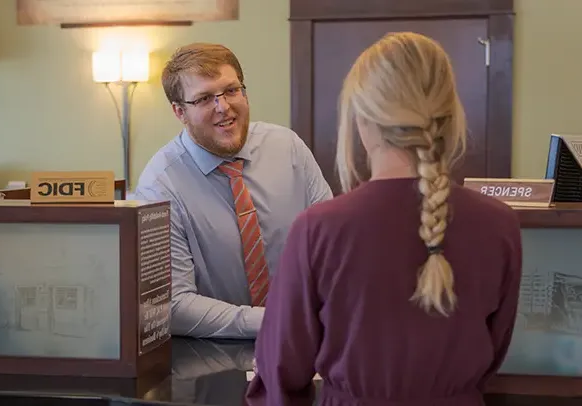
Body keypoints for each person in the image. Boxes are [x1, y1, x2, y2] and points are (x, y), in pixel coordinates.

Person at [246, 32, 522, 405]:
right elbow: (495, 351)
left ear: (362, 119)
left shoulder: (319, 230)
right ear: (450, 116)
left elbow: (281, 375)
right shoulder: (500, 225)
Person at [133, 43, 333, 339]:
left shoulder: (288, 148)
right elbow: (172, 306)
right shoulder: (159, 187)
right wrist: (274, 321)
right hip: (215, 357)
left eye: (231, 90)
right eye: (204, 98)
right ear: (179, 112)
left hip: (311, 338)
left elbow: (331, 248)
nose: (223, 107)